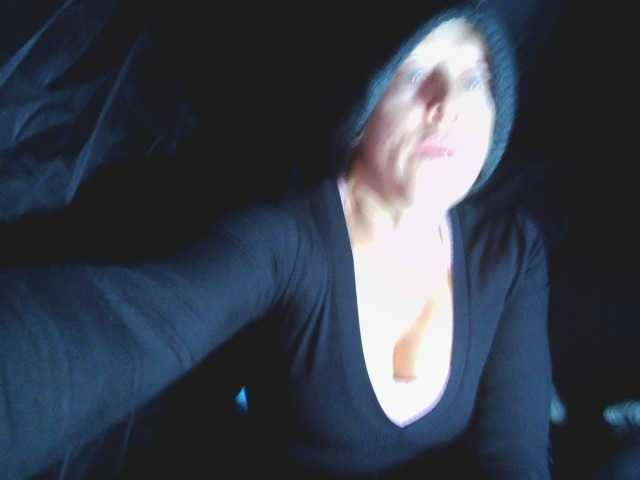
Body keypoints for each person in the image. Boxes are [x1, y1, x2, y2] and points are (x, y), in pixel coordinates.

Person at [0, 1, 552, 478]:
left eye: (475, 80)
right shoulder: (285, 243)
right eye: (415, 72)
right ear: (365, 104)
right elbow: (127, 330)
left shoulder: (510, 253)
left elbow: (512, 460)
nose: (449, 102)